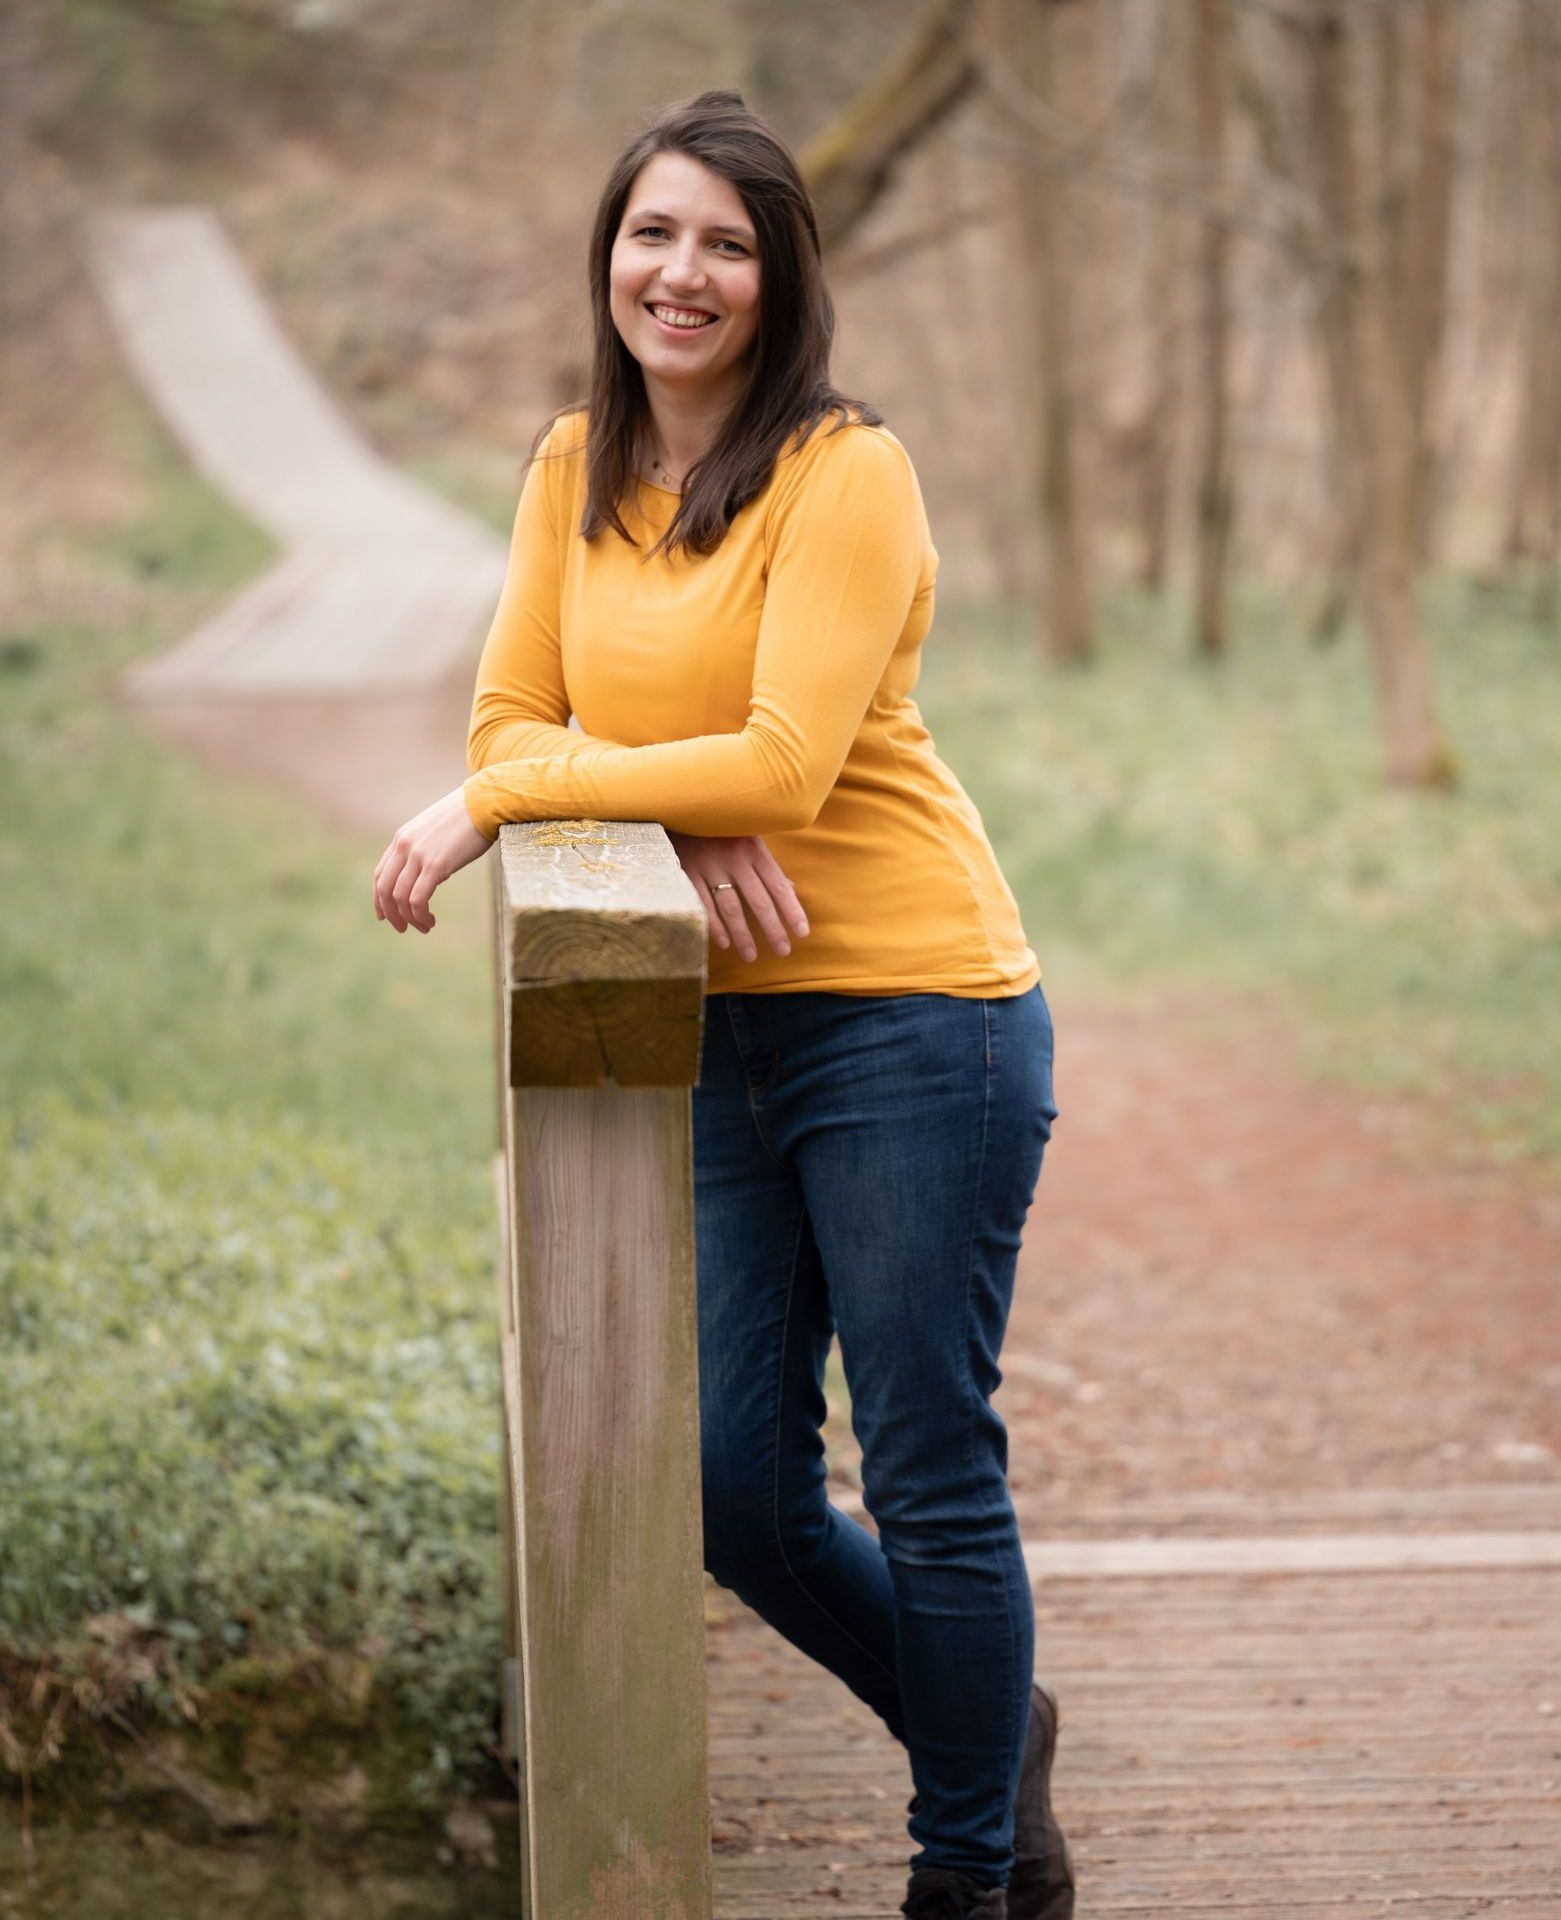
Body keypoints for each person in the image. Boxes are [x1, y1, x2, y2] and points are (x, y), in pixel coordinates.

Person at [370, 88, 1072, 1920]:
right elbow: (513, 719)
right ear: (609, 254)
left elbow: (777, 762)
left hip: (918, 1013)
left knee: (927, 1462)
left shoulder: (851, 473)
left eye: (727, 244)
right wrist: (653, 799)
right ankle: (990, 1726)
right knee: (735, 1487)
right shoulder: (564, 470)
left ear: (780, 279)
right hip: (722, 1021)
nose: (681, 274)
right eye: (653, 233)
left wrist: (542, 800)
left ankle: (971, 1874)